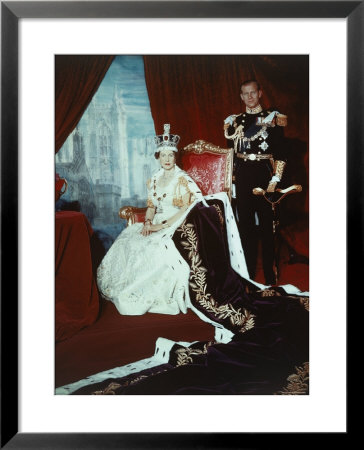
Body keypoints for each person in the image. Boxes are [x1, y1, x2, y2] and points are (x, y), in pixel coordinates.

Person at [96, 124, 204, 316]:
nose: (167, 159)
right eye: (163, 155)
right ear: (158, 157)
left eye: (170, 155)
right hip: (156, 222)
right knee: (130, 240)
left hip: (176, 223)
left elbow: (187, 208)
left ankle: (146, 292)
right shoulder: (154, 179)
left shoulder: (182, 179)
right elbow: (151, 207)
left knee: (153, 247)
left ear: (175, 156)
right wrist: (147, 223)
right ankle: (124, 285)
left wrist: (159, 226)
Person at [223, 79, 288, 285]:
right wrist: (231, 181)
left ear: (260, 93)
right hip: (243, 177)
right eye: (245, 94)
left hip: (265, 175)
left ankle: (270, 275)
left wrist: (276, 178)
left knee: (268, 227)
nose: (250, 97)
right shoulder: (234, 122)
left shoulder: (274, 118)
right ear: (241, 96)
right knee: (246, 228)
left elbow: (281, 152)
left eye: (253, 93)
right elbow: (231, 154)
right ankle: (248, 274)